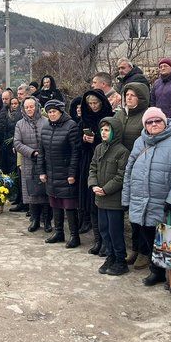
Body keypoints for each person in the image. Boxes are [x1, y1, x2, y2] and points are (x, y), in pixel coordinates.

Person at [122, 107, 171, 287]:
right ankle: (156, 270)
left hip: (166, 201)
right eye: (149, 122)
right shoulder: (139, 142)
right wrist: (127, 198)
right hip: (141, 199)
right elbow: (129, 170)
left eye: (158, 121)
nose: (154, 124)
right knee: (149, 236)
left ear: (164, 122)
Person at [88, 117, 130, 275]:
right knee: (103, 228)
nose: (103, 133)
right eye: (102, 130)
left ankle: (120, 259)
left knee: (115, 230)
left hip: (113, 199)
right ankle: (110, 256)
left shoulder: (122, 151)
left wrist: (105, 189)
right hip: (100, 198)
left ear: (115, 132)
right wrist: (93, 185)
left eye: (107, 130)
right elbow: (92, 167)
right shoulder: (99, 148)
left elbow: (121, 176)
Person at [38, 99, 81, 248]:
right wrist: (41, 171)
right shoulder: (45, 127)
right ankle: (59, 232)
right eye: (49, 112)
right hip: (51, 172)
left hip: (66, 172)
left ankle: (75, 236)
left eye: (54, 112)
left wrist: (72, 174)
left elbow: (76, 153)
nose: (51, 114)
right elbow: (41, 152)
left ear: (61, 112)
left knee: (69, 205)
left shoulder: (71, 126)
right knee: (55, 203)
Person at [78, 89, 114, 253]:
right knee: (91, 203)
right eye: (90, 104)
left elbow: (113, 138)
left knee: (101, 203)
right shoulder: (85, 118)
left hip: (105, 163)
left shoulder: (109, 117)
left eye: (95, 103)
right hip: (88, 162)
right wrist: (85, 139)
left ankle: (106, 242)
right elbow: (78, 141)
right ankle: (97, 240)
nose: (93, 107)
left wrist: (97, 139)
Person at [14, 97, 51, 235]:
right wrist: (31, 152)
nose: (30, 109)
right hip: (29, 161)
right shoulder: (19, 124)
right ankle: (34, 220)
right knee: (32, 192)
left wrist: (42, 153)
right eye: (27, 107)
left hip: (46, 160)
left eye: (32, 106)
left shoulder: (46, 121)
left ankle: (47, 220)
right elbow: (17, 143)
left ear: (37, 107)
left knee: (46, 192)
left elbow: (50, 138)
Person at [151, 58, 171, 130]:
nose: (163, 68)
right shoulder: (156, 83)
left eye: (165, 66)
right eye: (161, 67)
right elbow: (152, 100)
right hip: (159, 119)